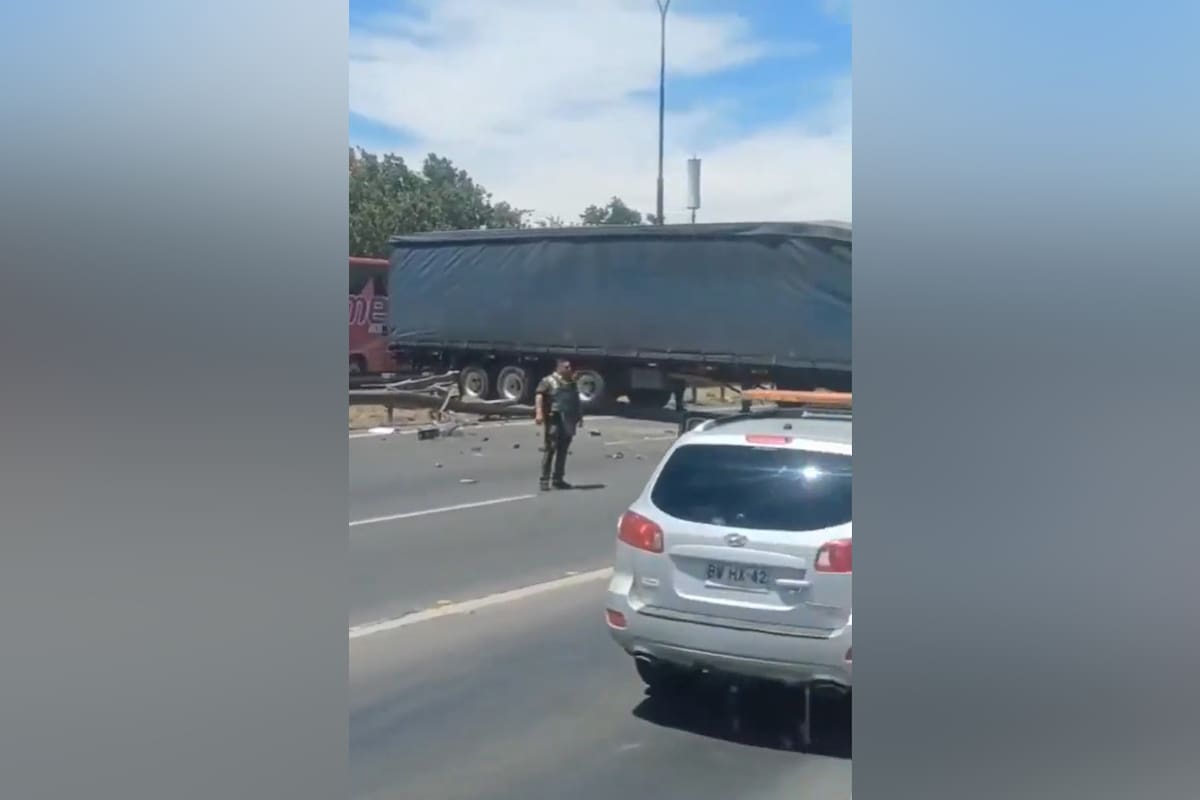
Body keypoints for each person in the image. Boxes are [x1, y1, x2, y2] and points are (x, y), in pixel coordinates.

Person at [534, 358, 584, 490]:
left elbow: (575, 399)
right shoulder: (548, 381)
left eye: (569, 367)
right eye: (566, 367)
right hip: (554, 419)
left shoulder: (571, 383)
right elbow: (539, 396)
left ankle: (558, 479)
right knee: (550, 449)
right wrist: (539, 413)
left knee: (563, 450)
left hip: (568, 420)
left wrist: (579, 416)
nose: (569, 369)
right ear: (559, 368)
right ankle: (544, 480)